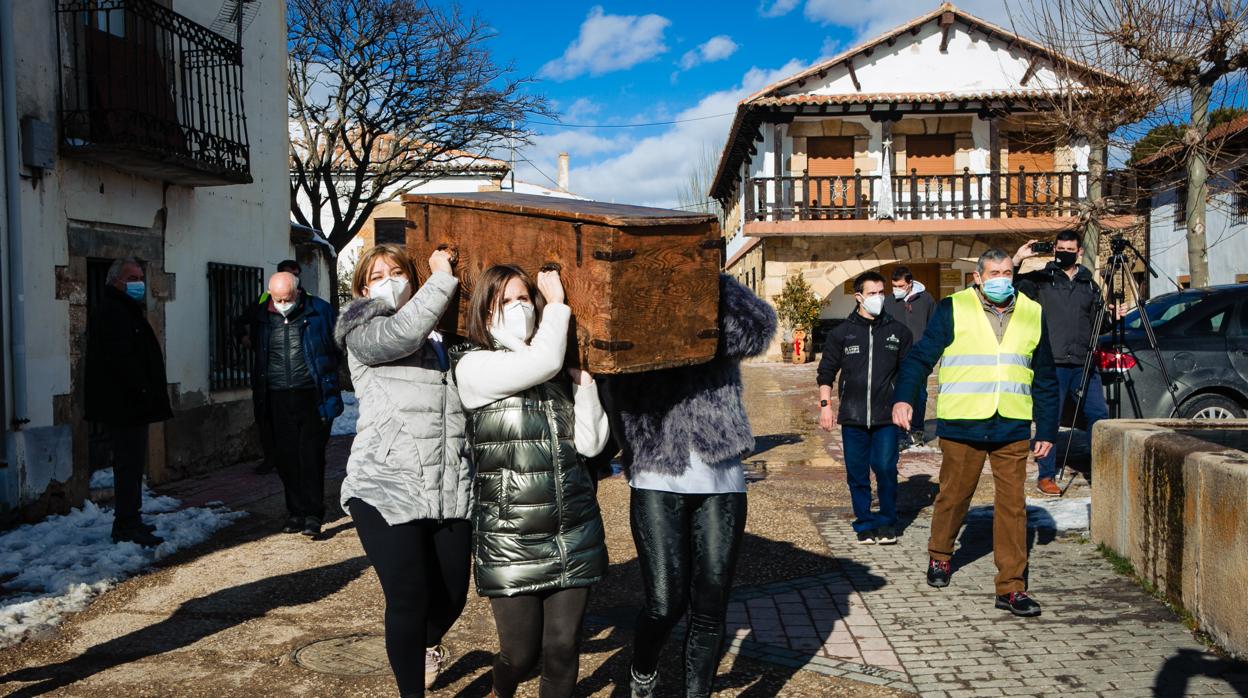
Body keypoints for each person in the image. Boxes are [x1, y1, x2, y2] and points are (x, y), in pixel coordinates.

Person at [602, 274, 776, 698]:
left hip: (721, 471)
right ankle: (643, 667)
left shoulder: (715, 288)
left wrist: (705, 296)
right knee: (665, 603)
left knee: (711, 605)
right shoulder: (631, 294)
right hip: (657, 469)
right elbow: (605, 363)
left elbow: (758, 330)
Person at [451, 265, 610, 698]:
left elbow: (593, 446)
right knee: (519, 656)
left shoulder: (555, 363)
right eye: (505, 301)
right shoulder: (473, 366)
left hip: (572, 528)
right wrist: (557, 304)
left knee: (562, 649)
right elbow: (541, 362)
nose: (518, 308)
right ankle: (501, 691)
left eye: (525, 299)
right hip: (511, 537)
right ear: (485, 313)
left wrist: (587, 389)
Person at [891, 248, 1058, 618]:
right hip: (963, 423)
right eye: (993, 272)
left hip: (1011, 424)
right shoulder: (953, 308)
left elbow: (1045, 375)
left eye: (1007, 272)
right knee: (954, 496)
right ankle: (940, 555)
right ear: (979, 277)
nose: (1001, 278)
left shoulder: (1032, 312)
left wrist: (1046, 429)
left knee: (1013, 507)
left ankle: (1011, 588)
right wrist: (904, 399)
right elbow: (920, 358)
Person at [334, 245, 470, 696]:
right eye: (377, 275)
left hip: (446, 486)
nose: (389, 279)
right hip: (384, 485)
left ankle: (424, 644)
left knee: (452, 597)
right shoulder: (363, 329)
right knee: (408, 597)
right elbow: (402, 334)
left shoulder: (444, 339)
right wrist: (442, 277)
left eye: (397, 271)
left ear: (413, 279)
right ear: (363, 288)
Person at [1013, 232, 1118, 496]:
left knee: (1098, 416)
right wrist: (1017, 262)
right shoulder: (1040, 280)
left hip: (1084, 362)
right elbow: (1010, 291)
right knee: (1050, 419)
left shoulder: (1089, 285)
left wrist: (1113, 317)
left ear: (1079, 251)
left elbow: (1098, 324)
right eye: (1060, 248)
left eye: (1070, 248)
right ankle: (1046, 475)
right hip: (1052, 362)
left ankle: (1103, 471)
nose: (1064, 252)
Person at [245, 271, 342, 537]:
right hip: (276, 395)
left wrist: (329, 382)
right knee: (286, 457)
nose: (281, 303)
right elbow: (250, 341)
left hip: (312, 394)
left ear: (298, 293)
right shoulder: (262, 314)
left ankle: (313, 513)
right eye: (277, 299)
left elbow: (337, 348)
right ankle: (295, 512)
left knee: (310, 455)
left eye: (286, 298)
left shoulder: (320, 310)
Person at [818, 271, 912, 545]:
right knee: (857, 473)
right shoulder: (842, 334)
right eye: (872, 293)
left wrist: (905, 403)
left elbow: (908, 373)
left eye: (881, 292)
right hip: (853, 417)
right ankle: (864, 522)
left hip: (886, 417)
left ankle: (886, 521)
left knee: (885, 468)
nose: (878, 298)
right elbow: (826, 373)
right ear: (859, 297)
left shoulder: (898, 332)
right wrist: (826, 406)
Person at [85, 257, 173, 548]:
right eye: (132, 277)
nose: (139, 283)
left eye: (140, 276)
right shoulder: (113, 312)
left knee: (133, 467)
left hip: (132, 404)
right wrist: (143, 390)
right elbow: (120, 361)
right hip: (125, 406)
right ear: (115, 281)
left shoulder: (125, 309)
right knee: (128, 466)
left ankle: (130, 519)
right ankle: (126, 525)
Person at [236, 259, 303, 475]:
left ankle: (292, 457)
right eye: (288, 273)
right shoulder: (264, 300)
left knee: (293, 418)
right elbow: (239, 321)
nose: (293, 277)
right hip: (265, 368)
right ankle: (270, 457)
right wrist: (244, 337)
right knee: (264, 415)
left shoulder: (307, 300)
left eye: (296, 273)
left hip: (295, 370)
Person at [885, 266, 936, 448]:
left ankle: (917, 431)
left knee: (919, 395)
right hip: (894, 356)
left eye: (900, 285)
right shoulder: (888, 302)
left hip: (919, 357)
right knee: (896, 395)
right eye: (893, 285)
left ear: (910, 284)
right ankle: (899, 433)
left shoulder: (926, 300)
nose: (896, 289)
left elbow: (933, 328)